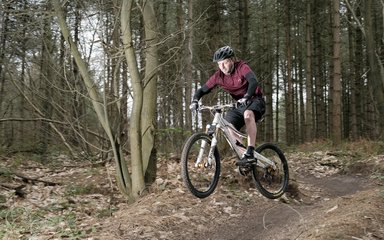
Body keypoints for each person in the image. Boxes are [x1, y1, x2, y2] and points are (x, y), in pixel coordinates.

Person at [189, 46, 265, 166]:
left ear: (232, 60)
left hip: (255, 100)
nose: (222, 67)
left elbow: (253, 81)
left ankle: (250, 152)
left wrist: (247, 96)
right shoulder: (219, 76)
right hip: (239, 105)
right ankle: (243, 155)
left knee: (248, 114)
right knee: (228, 126)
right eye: (219, 64)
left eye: (224, 63)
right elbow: (202, 90)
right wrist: (195, 101)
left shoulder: (242, 67)